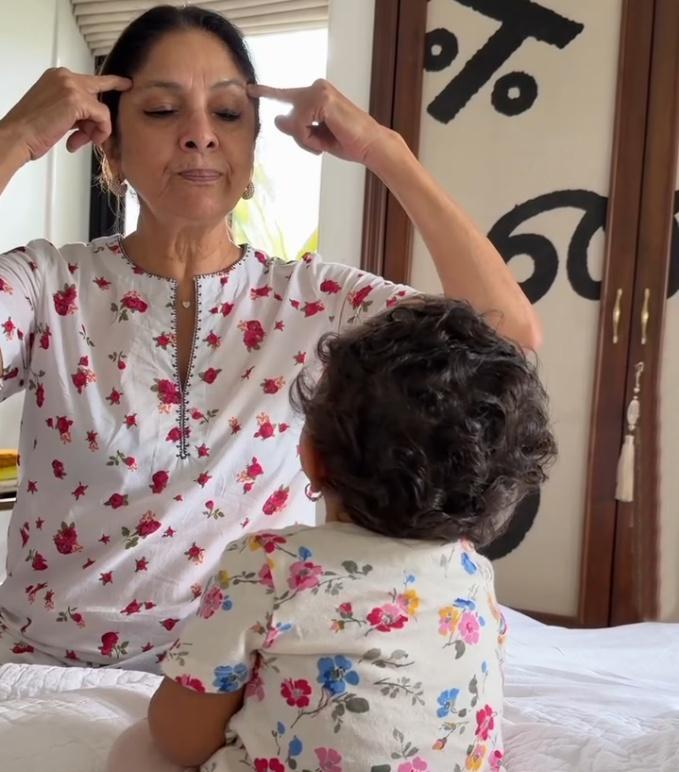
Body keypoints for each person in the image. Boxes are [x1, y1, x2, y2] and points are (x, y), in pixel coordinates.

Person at [0, 4, 541, 671]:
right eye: (163, 111)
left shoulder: (316, 299)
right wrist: (16, 137)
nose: (199, 135)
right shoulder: (47, 286)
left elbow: (504, 339)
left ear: (252, 150)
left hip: (238, 682)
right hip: (47, 671)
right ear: (109, 144)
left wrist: (385, 151)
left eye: (227, 114)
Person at [106, 296, 556, 772]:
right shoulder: (472, 576)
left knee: (138, 748)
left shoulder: (269, 565)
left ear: (312, 457)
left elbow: (183, 739)